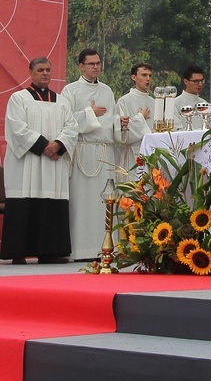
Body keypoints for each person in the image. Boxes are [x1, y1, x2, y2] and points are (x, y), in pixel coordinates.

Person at [1, 57, 78, 264]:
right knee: (24, 203)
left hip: (53, 163)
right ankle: (19, 252)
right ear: (31, 73)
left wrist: (59, 144)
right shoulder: (19, 98)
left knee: (51, 204)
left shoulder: (62, 101)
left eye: (48, 70)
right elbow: (17, 129)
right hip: (27, 163)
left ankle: (49, 251)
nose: (45, 73)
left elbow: (72, 127)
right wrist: (46, 145)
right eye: (40, 70)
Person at [61, 49, 123, 261]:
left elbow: (112, 120)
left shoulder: (107, 90)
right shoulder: (70, 91)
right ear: (81, 66)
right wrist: (90, 113)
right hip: (84, 151)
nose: (96, 67)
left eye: (98, 63)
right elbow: (65, 121)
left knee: (105, 202)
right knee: (81, 202)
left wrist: (120, 123)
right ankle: (80, 249)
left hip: (105, 151)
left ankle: (105, 247)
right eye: (91, 64)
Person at [117, 63, 154, 180]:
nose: (148, 79)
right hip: (132, 154)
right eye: (143, 75)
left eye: (150, 75)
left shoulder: (154, 102)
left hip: (152, 154)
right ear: (134, 77)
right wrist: (140, 117)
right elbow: (124, 133)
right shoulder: (124, 101)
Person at [173, 65, 206, 130]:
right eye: (196, 81)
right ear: (186, 81)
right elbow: (176, 129)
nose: (200, 84)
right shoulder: (176, 103)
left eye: (201, 81)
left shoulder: (204, 103)